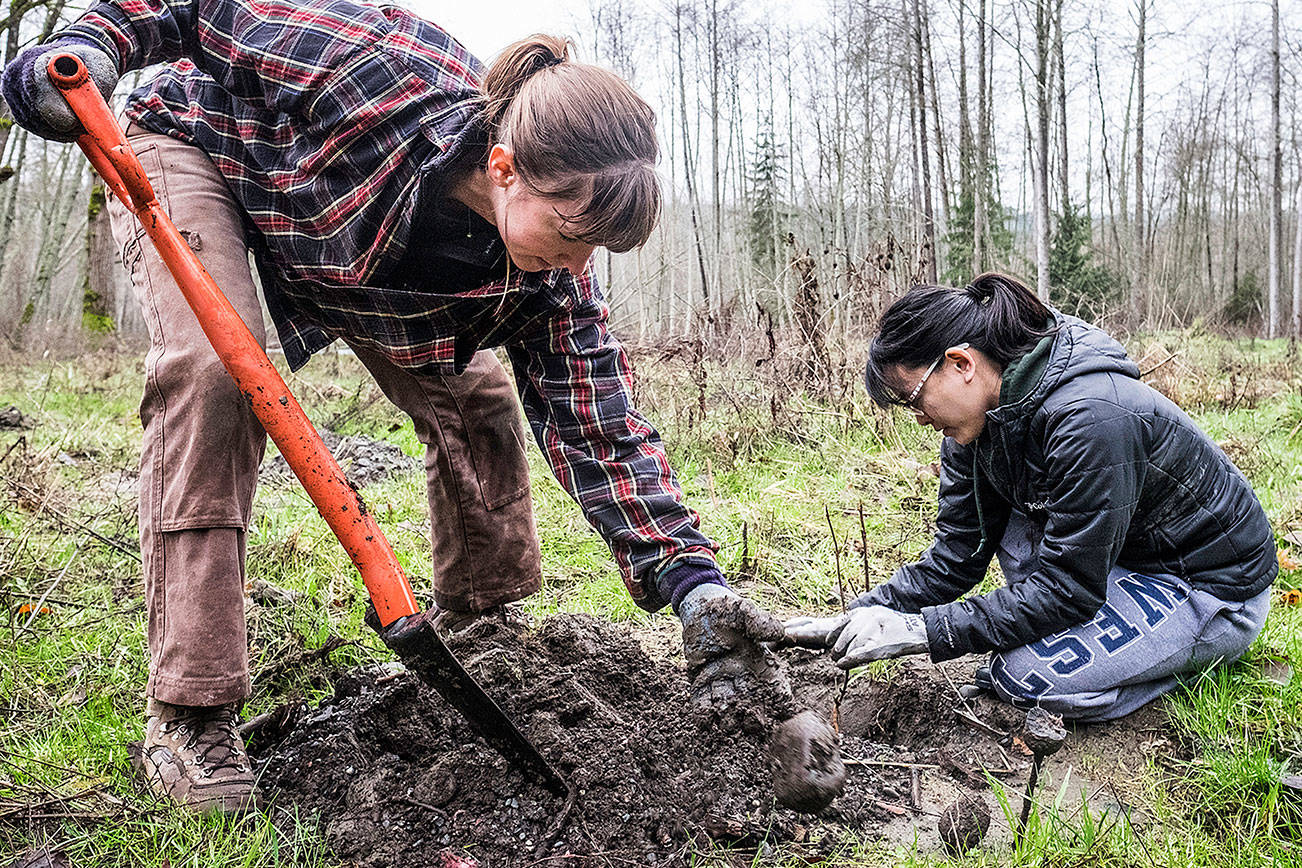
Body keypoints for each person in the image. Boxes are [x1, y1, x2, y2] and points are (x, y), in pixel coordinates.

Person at [2, 0, 785, 814]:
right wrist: (94, 41)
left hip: (349, 266)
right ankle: (190, 714)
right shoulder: (375, 69)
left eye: (595, 248)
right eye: (570, 232)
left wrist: (693, 582)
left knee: (478, 398)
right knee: (214, 379)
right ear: (505, 168)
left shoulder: (552, 282)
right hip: (207, 153)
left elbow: (604, 430)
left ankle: (482, 627)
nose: (578, 264)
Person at [785, 273, 1277, 724]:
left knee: (1023, 677)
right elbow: (958, 555)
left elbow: (1068, 589)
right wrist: (860, 615)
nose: (918, 418)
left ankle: (1183, 662)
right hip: (1111, 564)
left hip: (1205, 587)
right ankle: (1124, 644)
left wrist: (923, 632)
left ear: (961, 364)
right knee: (1022, 572)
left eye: (914, 399)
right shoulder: (972, 426)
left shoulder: (1091, 416)